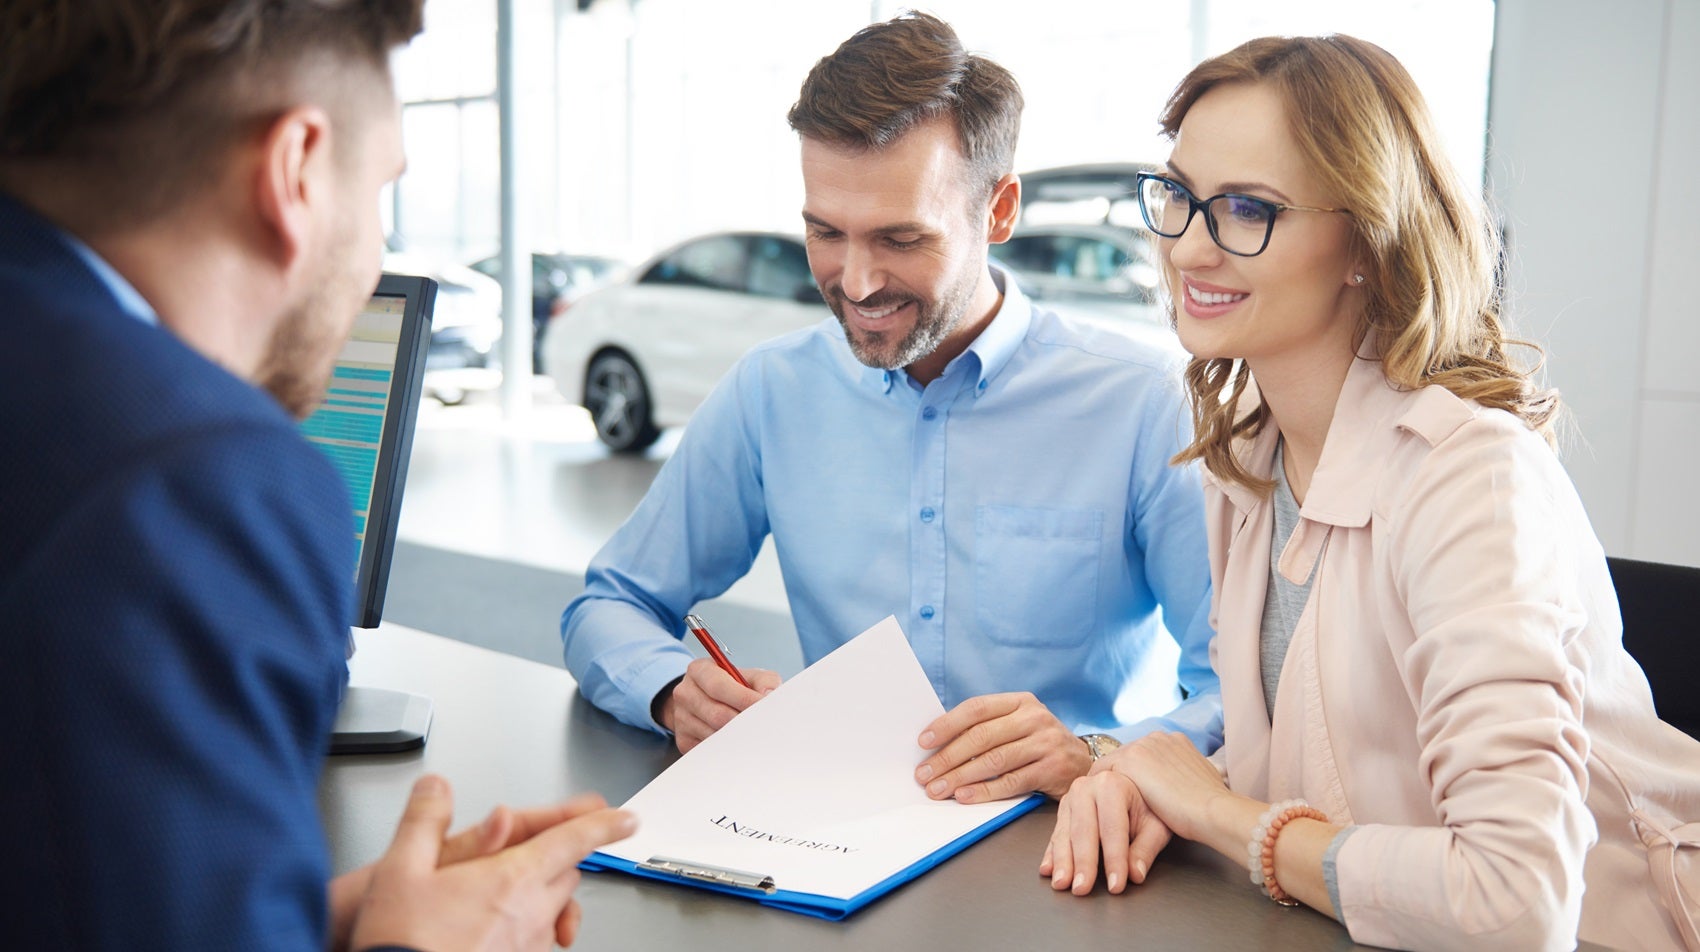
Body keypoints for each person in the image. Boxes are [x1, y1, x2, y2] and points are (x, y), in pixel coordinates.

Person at [1040, 34, 1700, 951]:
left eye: (1246, 208)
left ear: (1365, 240)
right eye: (1181, 197)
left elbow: (1520, 902)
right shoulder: (1252, 463)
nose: (1191, 245)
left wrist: (1214, 814)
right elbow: (1326, 750)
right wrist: (1149, 777)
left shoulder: (1470, 477)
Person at [0, 2, 634, 949]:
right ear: (294, 169)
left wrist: (315, 921)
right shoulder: (194, 482)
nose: (378, 248)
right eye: (382, 188)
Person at [562, 10, 1219, 806]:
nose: (859, 281)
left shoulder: (1141, 402)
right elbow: (610, 603)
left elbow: (1238, 691)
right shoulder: (773, 390)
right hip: (838, 835)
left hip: (1062, 846)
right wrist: (671, 689)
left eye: (901, 240)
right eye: (825, 233)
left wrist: (1097, 755)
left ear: (999, 210)